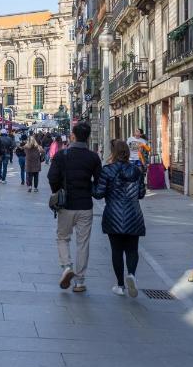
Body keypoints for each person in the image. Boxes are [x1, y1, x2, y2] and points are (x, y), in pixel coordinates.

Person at [48, 121, 102, 293]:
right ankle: (80, 281)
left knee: (63, 237)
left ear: (73, 136)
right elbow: (99, 182)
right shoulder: (93, 157)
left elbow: (52, 177)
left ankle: (66, 266)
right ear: (87, 137)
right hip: (85, 205)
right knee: (83, 243)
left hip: (66, 205)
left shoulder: (62, 155)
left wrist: (58, 192)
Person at [94, 139, 146, 297]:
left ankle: (120, 285)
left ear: (114, 153)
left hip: (113, 214)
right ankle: (131, 274)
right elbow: (141, 194)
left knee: (116, 251)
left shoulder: (108, 170)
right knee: (132, 249)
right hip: (133, 214)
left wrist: (89, 185)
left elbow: (98, 193)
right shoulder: (137, 171)